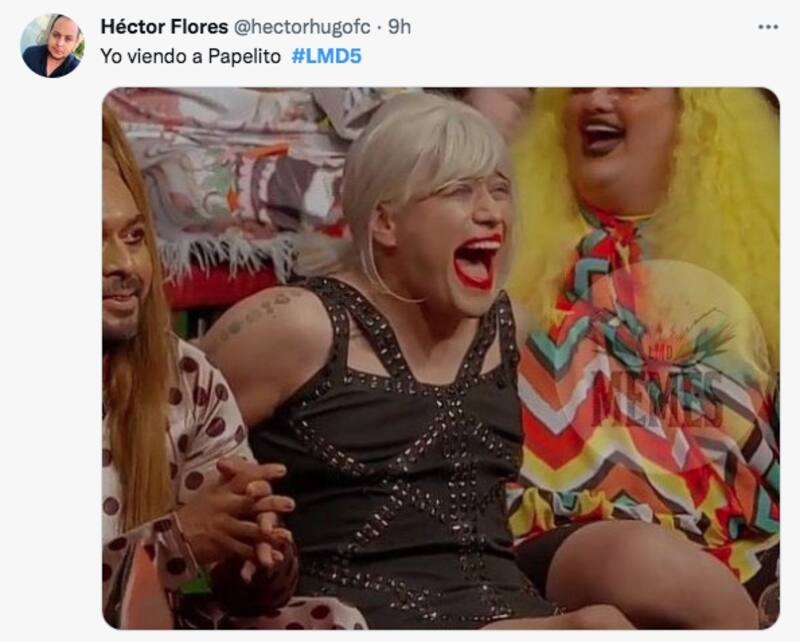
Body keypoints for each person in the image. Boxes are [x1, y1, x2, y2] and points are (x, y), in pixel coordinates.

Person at [200, 92, 632, 629]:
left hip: (505, 603)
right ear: (386, 222)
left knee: (648, 576)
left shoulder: (508, 328)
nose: (490, 212)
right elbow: (154, 450)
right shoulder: (294, 325)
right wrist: (222, 559)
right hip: (350, 617)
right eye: (459, 190)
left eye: (499, 190)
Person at [506, 88, 778, 628]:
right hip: (561, 531)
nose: (596, 99)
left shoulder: (765, 256)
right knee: (650, 567)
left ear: (696, 117)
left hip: (746, 547)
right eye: (579, 84)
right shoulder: (502, 244)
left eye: (627, 82)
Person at [101, 104, 366, 630]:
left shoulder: (187, 377)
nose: (125, 266)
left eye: (133, 238)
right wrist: (173, 546)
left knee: (331, 622)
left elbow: (203, 588)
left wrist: (249, 563)